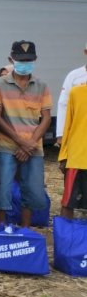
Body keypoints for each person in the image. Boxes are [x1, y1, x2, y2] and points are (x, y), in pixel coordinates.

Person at [0, 41, 52, 227]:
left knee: (33, 190)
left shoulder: (41, 85)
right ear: (11, 59)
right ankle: (1, 229)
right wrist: (20, 141)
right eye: (20, 59)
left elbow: (46, 118)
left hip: (33, 147)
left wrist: (30, 143)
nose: (24, 63)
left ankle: (25, 229)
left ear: (35, 60)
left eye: (28, 60)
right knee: (3, 189)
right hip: (6, 146)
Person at [58, 83, 87, 218]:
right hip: (78, 157)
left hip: (78, 157)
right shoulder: (76, 92)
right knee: (68, 202)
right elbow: (68, 124)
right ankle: (65, 237)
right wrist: (63, 155)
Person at [56, 41, 87, 146]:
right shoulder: (74, 76)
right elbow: (63, 104)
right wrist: (61, 134)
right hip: (78, 131)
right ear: (85, 52)